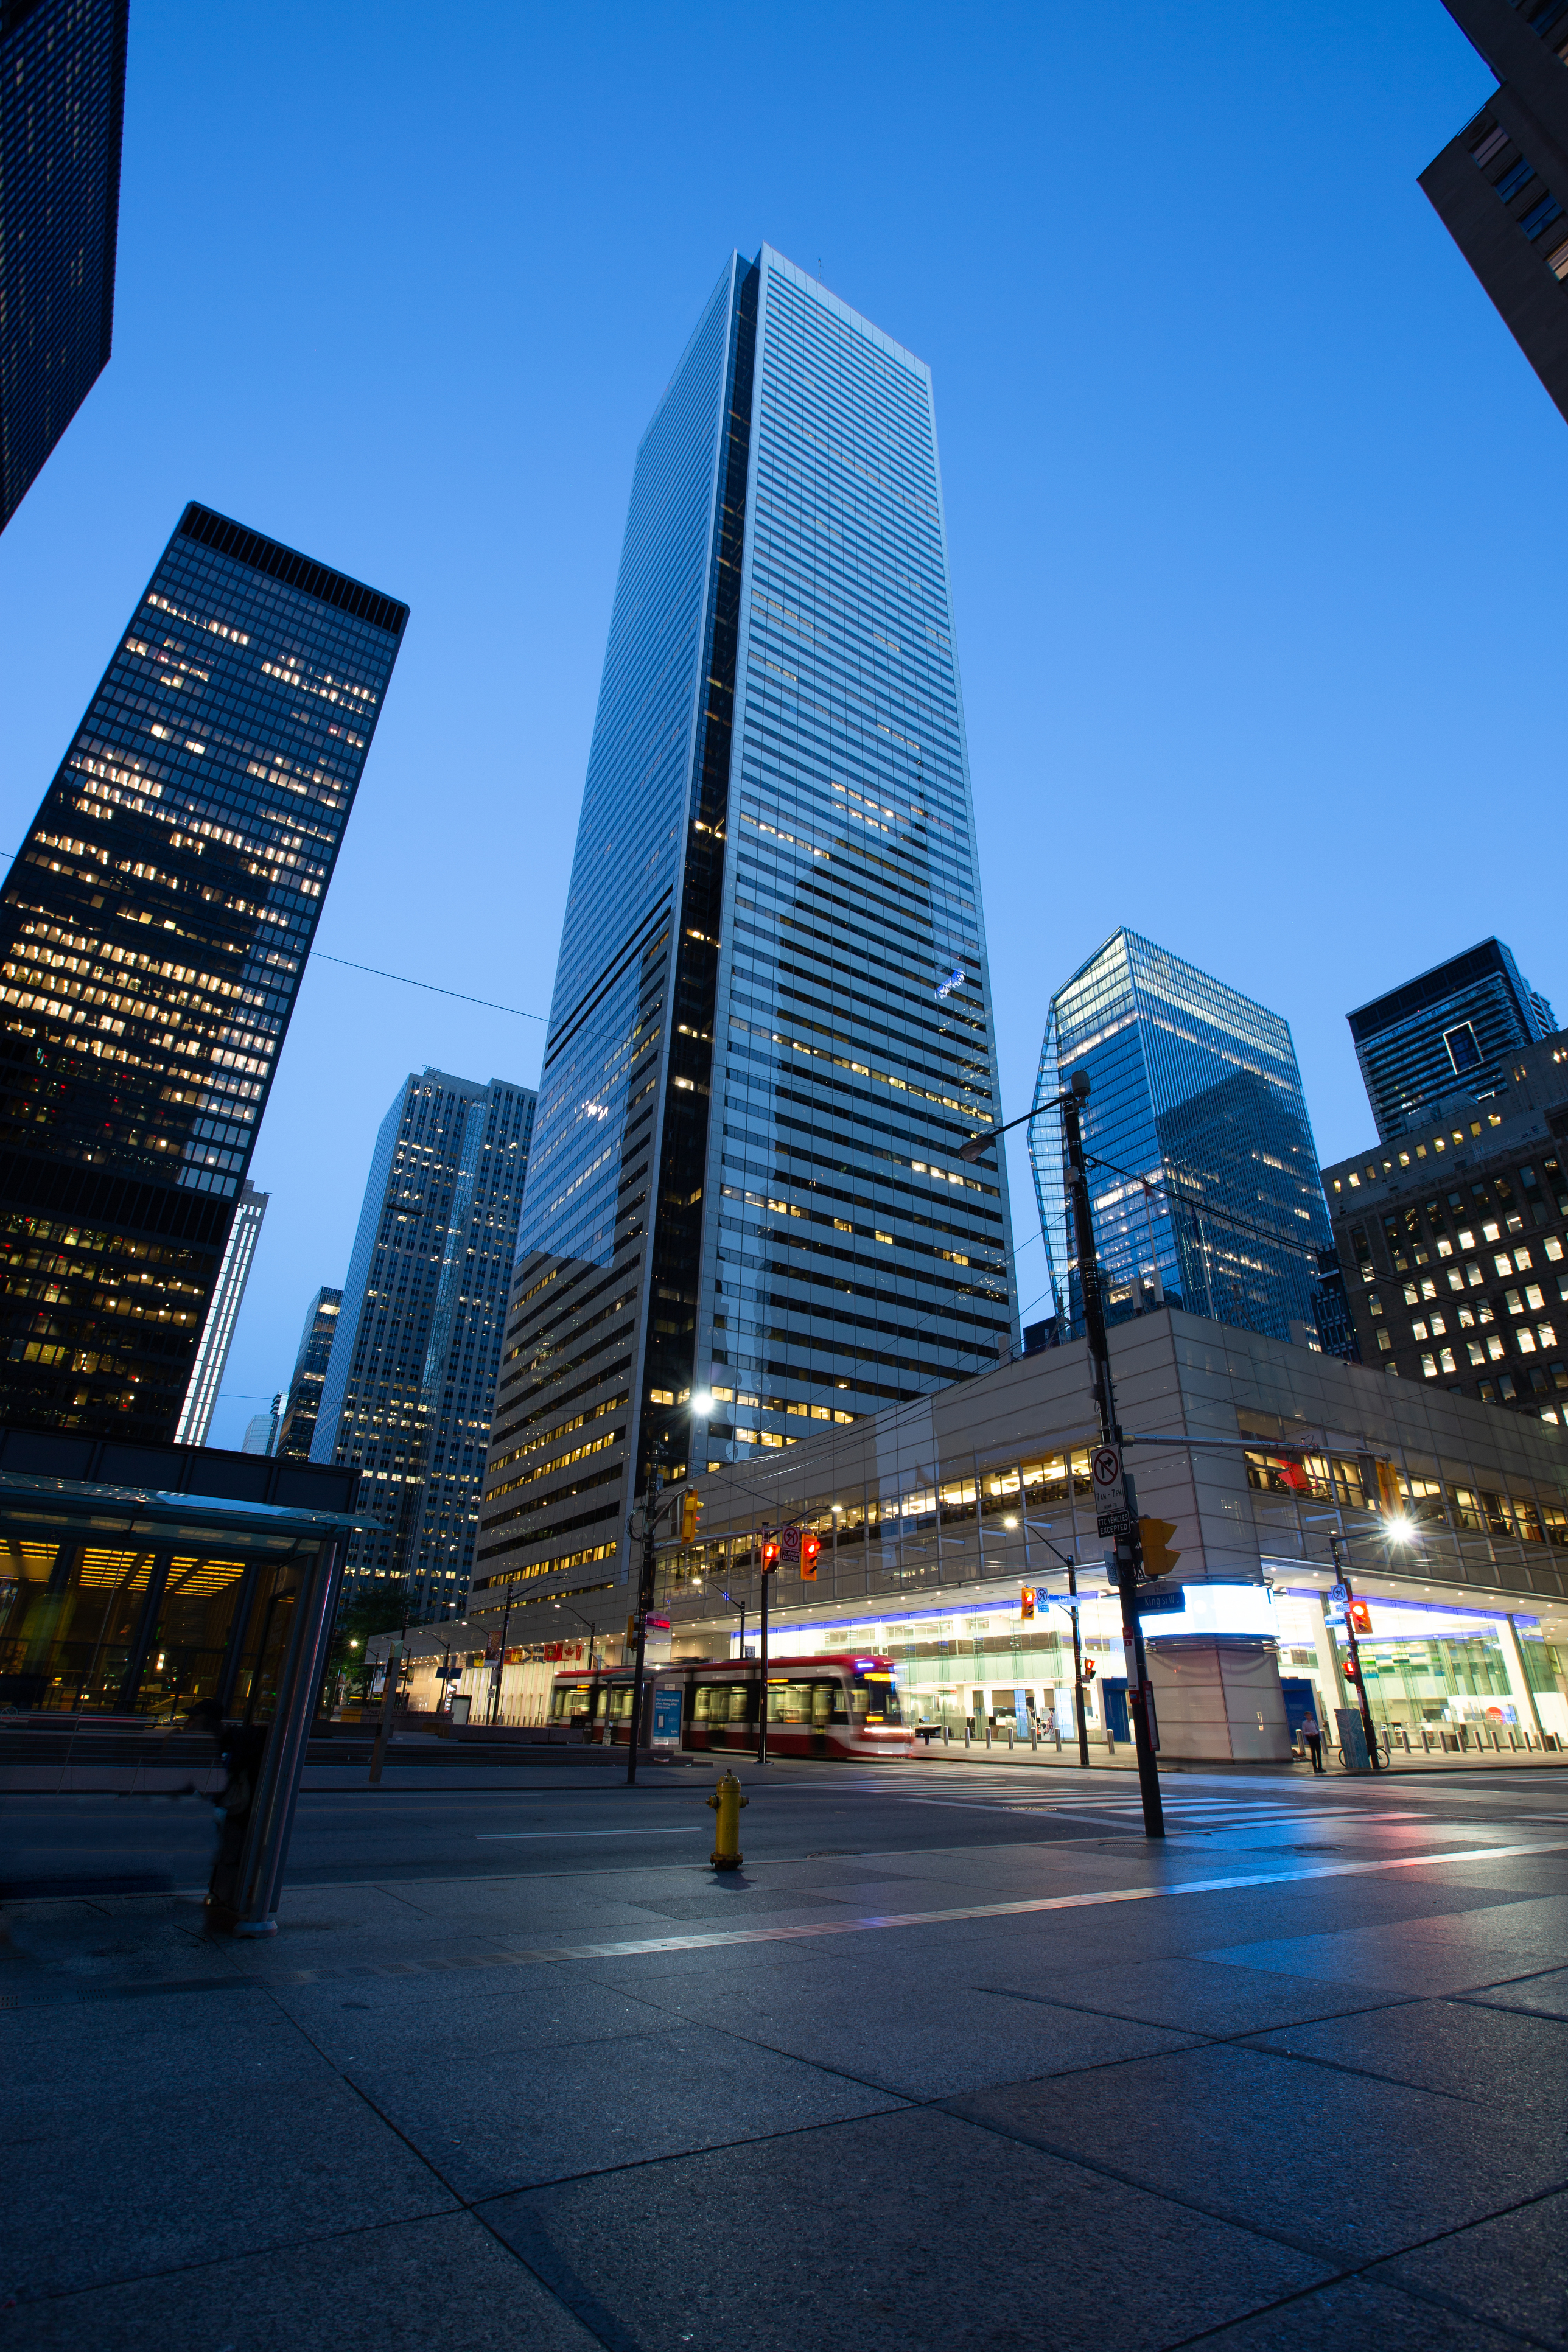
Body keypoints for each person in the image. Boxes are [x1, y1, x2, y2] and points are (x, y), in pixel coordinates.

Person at [1300, 1707, 1323, 1773]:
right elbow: (1304, 1732)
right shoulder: (1305, 1723)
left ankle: (1320, 1767)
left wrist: (1318, 1735)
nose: (1309, 1717)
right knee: (1313, 1753)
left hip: (1316, 1737)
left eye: (1309, 1715)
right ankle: (1315, 1767)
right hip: (1311, 1738)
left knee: (1319, 1753)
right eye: (1307, 1716)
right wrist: (1310, 1733)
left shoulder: (1314, 1721)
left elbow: (1317, 1729)